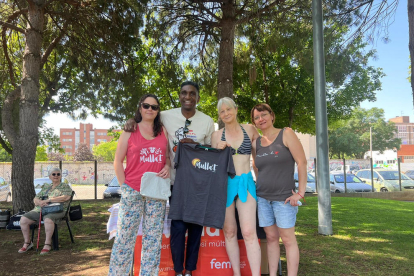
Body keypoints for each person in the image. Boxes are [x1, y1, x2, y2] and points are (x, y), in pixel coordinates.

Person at [124, 81, 215, 276]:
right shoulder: (166, 115)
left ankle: (189, 270)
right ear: (179, 96)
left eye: (192, 93)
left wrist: (196, 147)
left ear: (198, 97)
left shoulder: (207, 121)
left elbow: (210, 152)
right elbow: (147, 117)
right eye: (184, 93)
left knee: (195, 228)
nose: (188, 97)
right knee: (179, 228)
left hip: (198, 183)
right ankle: (178, 270)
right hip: (175, 181)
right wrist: (132, 120)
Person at [108, 94, 171, 276]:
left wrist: (167, 166)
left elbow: (166, 157)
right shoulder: (129, 130)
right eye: (146, 105)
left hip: (155, 192)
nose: (150, 109)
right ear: (140, 107)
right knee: (124, 239)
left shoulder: (163, 131)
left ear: (158, 111)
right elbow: (118, 161)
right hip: (132, 190)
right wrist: (124, 187)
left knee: (152, 240)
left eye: (154, 107)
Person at [251, 103, 307, 276]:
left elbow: (302, 162)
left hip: (284, 199)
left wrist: (300, 193)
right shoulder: (256, 143)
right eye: (256, 117)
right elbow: (257, 169)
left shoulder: (286, 134)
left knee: (288, 240)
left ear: (272, 115)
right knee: (271, 239)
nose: (261, 119)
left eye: (264, 115)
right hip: (262, 198)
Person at [211, 97, 261, 276]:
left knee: (248, 232)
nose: (226, 113)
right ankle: (236, 274)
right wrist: (217, 150)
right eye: (222, 111)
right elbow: (212, 167)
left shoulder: (250, 129)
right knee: (230, 232)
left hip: (246, 183)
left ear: (236, 109)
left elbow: (260, 159)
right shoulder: (216, 136)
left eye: (228, 109)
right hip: (224, 186)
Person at [18, 168, 72, 255]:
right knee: (23, 219)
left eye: (58, 174)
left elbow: (65, 197)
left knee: (48, 219)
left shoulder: (65, 186)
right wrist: (40, 202)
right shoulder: (46, 187)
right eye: (54, 174)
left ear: (61, 176)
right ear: (50, 176)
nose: (56, 176)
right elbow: (35, 199)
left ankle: (47, 244)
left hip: (58, 210)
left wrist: (48, 200)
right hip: (41, 209)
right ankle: (27, 243)